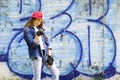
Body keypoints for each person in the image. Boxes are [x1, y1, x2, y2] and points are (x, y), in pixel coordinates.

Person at [23, 11, 59, 80]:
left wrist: (50, 55)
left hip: (45, 54)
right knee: (37, 77)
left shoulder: (40, 29)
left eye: (40, 21)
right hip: (36, 55)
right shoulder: (27, 30)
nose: (38, 22)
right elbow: (32, 44)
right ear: (33, 19)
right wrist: (37, 35)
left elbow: (47, 43)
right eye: (37, 20)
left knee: (56, 72)